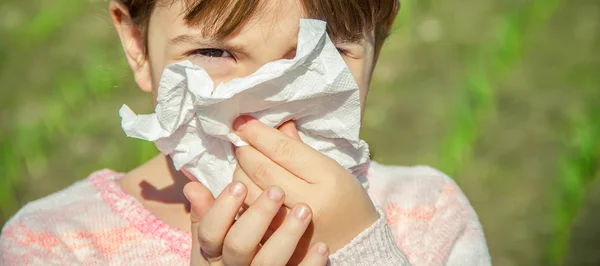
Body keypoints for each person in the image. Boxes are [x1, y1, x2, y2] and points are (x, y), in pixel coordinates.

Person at [0, 0, 491, 265]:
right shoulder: (53, 246)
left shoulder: (429, 218)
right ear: (136, 44)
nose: (267, 108)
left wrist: (359, 252)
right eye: (213, 53)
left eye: (318, 60)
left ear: (375, 47)